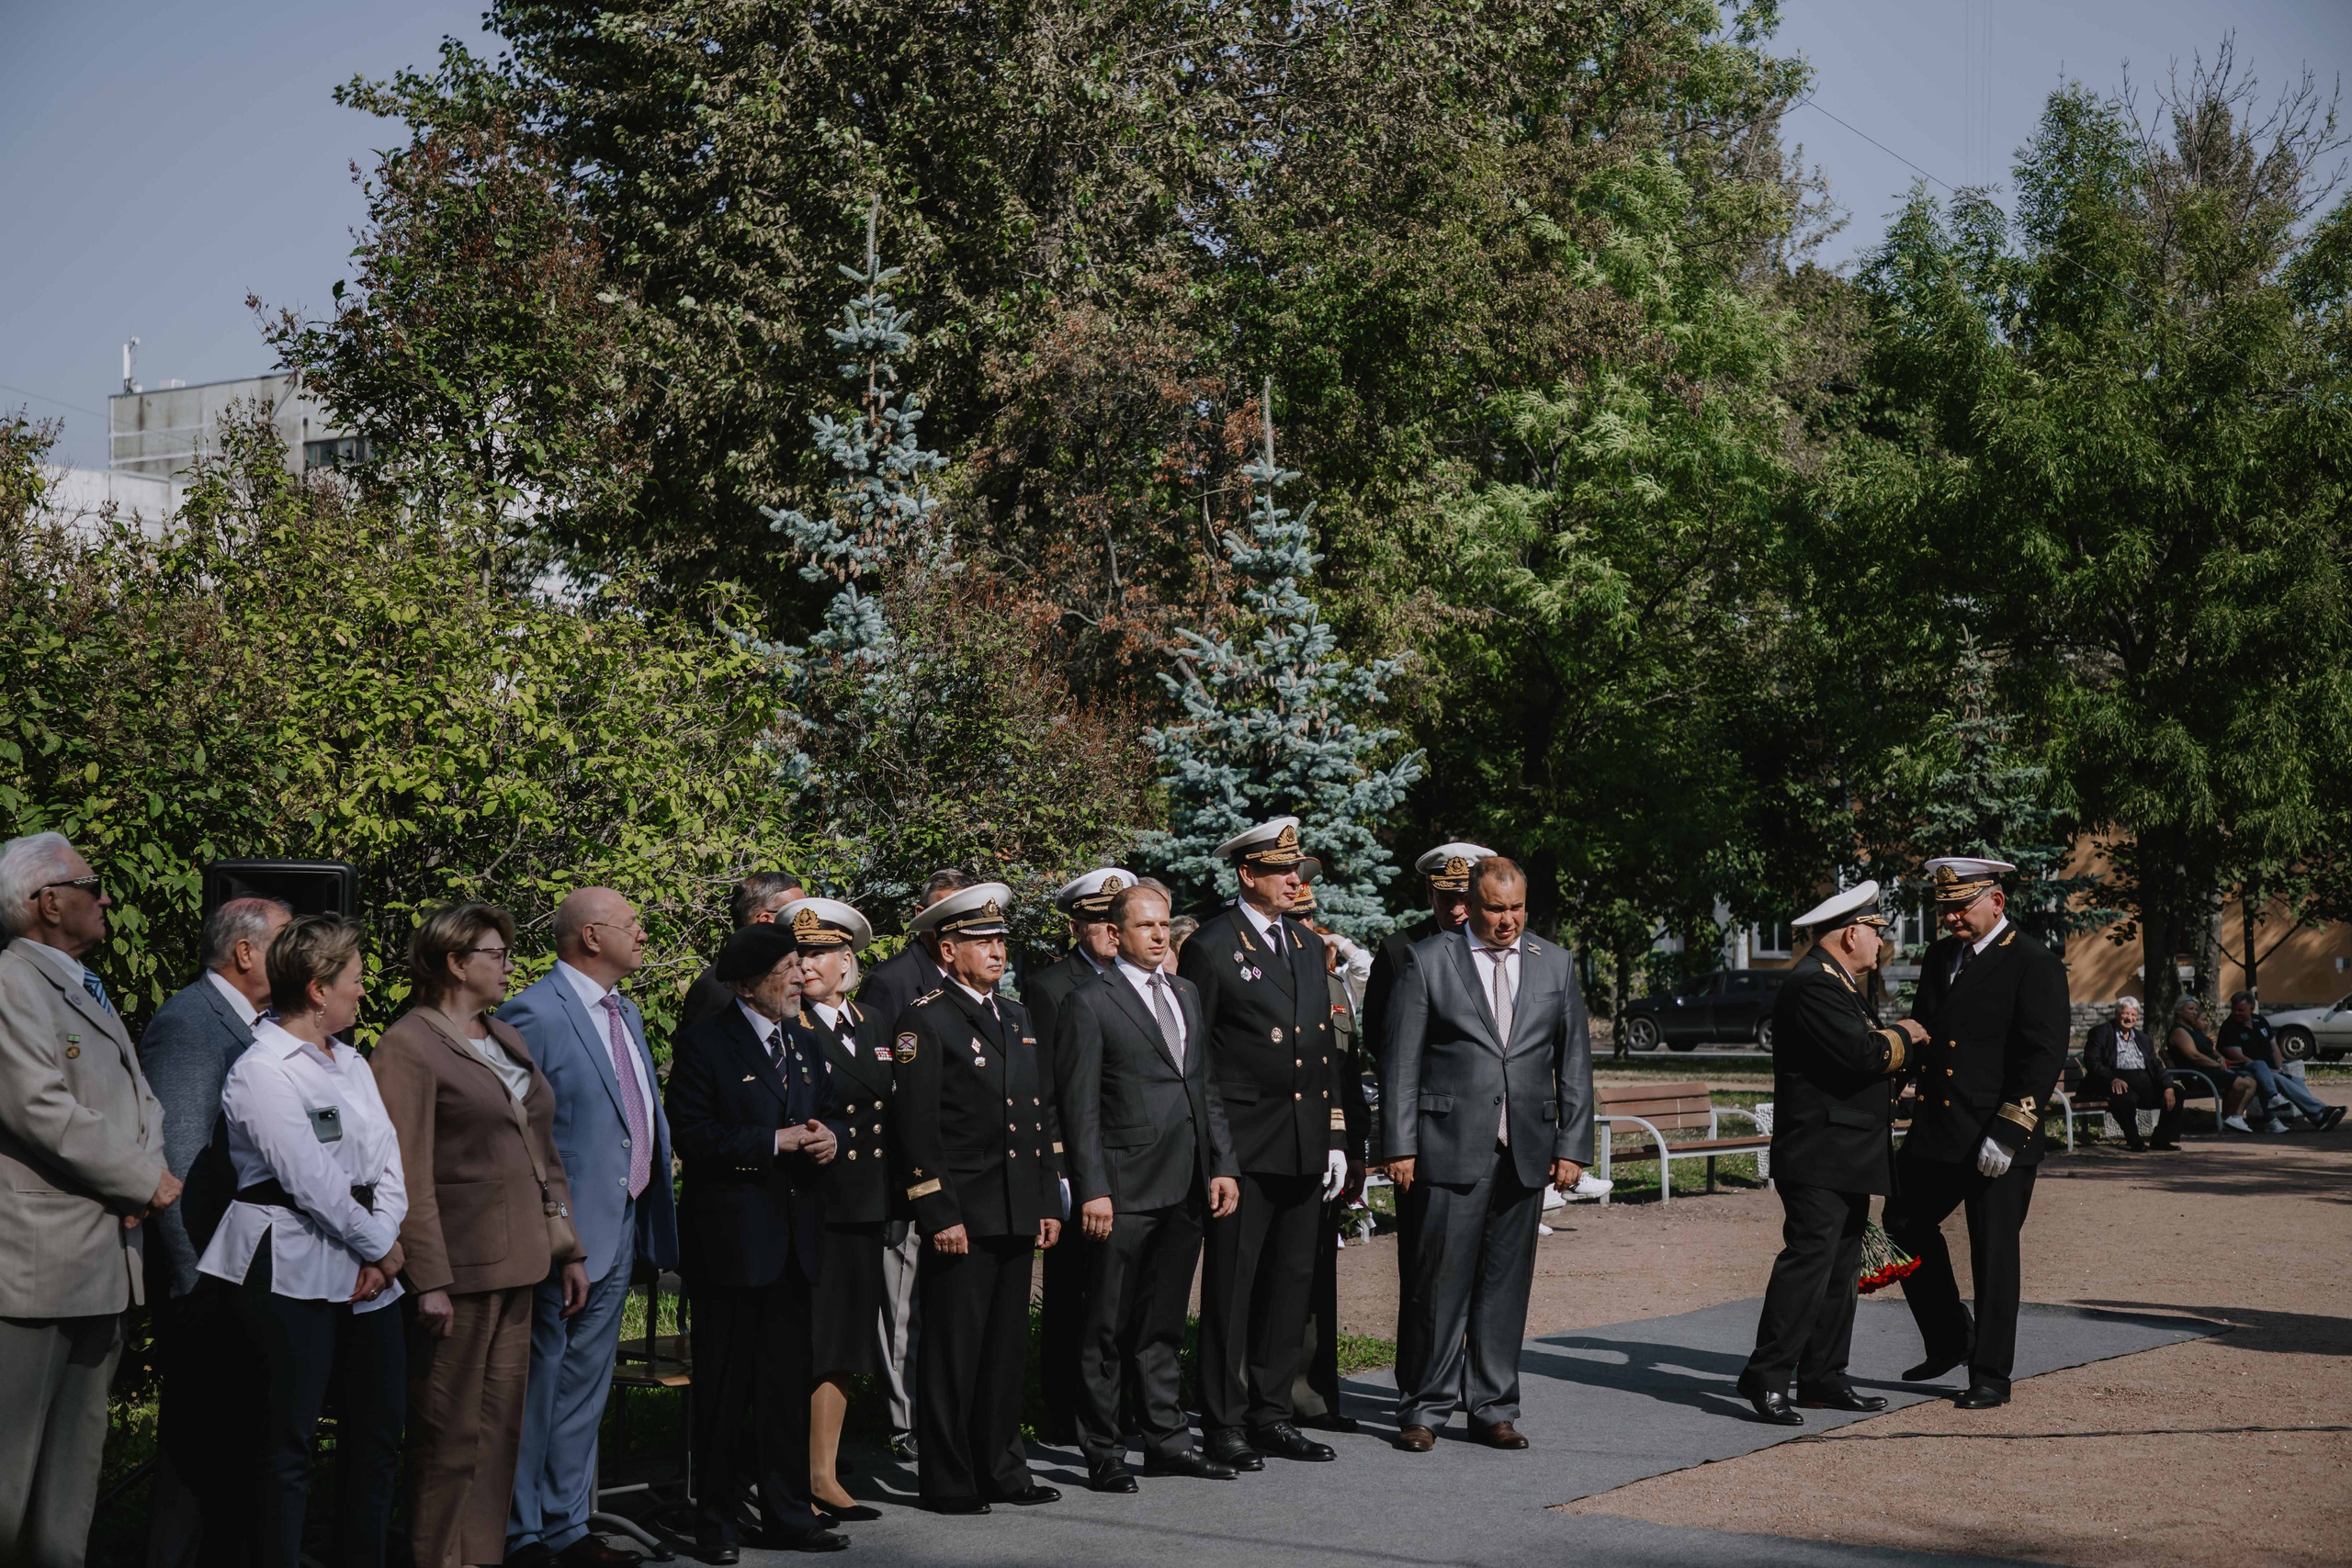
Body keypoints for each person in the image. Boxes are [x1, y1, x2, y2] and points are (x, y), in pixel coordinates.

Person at [374, 903, 590, 1568]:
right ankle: (433, 1557)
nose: (507, 966)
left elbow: (542, 1149)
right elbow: (403, 1169)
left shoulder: (506, 1037)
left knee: (499, 1428)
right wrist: (428, 1277)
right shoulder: (407, 1044)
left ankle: (480, 1556)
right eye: (494, 955)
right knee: (448, 1432)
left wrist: (570, 1246)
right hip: (459, 1271)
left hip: (524, 1259)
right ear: (454, 962)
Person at [198, 915, 408, 1568]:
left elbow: (388, 1163)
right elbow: (306, 1177)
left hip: (370, 1268)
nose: (361, 991)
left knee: (377, 1435)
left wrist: (384, 1242)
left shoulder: (351, 1060)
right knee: (287, 1442)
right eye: (354, 979)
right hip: (286, 1267)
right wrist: (378, 1245)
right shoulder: (261, 1069)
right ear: (318, 989)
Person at [0, 832, 175, 1568]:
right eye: (90, 883)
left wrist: (146, 1172)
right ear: (46, 903)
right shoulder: (12, 980)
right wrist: (141, 1179)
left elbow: (141, 1103)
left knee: (74, 1466)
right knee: (10, 1468)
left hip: (102, 1255)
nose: (105, 897)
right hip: (37, 1266)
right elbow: (35, 1104)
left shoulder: (75, 980)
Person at [1380, 856, 1592, 1452]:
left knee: (1505, 1285)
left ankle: (1493, 1405)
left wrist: (1573, 1143)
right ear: (1470, 904)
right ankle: (1424, 1406)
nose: (1508, 920)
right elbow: (1400, 1061)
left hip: (1524, 1147)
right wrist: (1398, 1143)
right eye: (1496, 908)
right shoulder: (1429, 961)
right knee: (1438, 1282)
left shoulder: (1554, 962)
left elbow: (1572, 1059)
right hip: (1447, 1145)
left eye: (1517, 907)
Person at [500, 890, 680, 1568]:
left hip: (623, 1223)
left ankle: (566, 1527)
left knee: (584, 1389)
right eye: (632, 924)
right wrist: (555, 1228)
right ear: (592, 935)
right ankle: (520, 1535)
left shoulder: (624, 1010)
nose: (643, 932)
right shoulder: (533, 1013)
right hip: (561, 1237)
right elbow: (521, 1137)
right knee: (538, 1386)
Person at [666, 921, 849, 1557]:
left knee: (782, 1389)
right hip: (733, 1246)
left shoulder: (804, 1044)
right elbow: (691, 1134)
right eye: (788, 966)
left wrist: (831, 1139)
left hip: (794, 1243)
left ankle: (788, 1513)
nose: (802, 975)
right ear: (748, 981)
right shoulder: (704, 1045)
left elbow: (835, 1112)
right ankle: (714, 1521)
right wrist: (776, 1142)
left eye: (802, 964)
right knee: (723, 1392)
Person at [1052, 881, 1240, 1492]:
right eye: (1145, 926)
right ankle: (1103, 1448)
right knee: (1104, 1326)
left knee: (1162, 1323)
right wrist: (1092, 1188)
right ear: (1116, 933)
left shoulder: (1184, 992)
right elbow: (1078, 1107)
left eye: (1164, 924)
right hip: (1123, 1189)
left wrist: (1223, 1163)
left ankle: (1165, 1439)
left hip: (1185, 1184)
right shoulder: (1090, 1001)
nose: (1160, 934)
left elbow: (1203, 1086)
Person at [1176, 818, 1349, 1471]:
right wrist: (1219, 1155)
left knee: (1290, 1284)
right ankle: (1223, 1420)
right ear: (1247, 873)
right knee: (1233, 1289)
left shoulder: (1305, 944)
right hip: (1244, 1148)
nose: (1291, 878)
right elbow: (1201, 1063)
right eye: (1279, 869)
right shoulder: (1216, 946)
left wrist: (1333, 1135)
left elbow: (1320, 1054)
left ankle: (1272, 1413)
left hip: (1303, 1144)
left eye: (1294, 868)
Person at [887, 883, 1065, 1515]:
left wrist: (1046, 1199)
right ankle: (948, 1477)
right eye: (982, 940)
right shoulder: (925, 1018)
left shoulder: (1014, 1016)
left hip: (1015, 1209)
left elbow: (1036, 1117)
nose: (997, 950)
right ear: (948, 946)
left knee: (1003, 1350)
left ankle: (1002, 1467)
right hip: (962, 1212)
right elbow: (917, 1126)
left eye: (1000, 939)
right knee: (953, 1351)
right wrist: (938, 1212)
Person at [1883, 857, 2070, 1411]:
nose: (1951, 919)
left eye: (1961, 907)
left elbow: (2043, 1055)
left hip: (1997, 1135)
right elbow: (1928, 1037)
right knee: (1901, 1224)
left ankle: (1990, 1374)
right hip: (1940, 1128)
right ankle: (1949, 1337)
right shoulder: (1942, 957)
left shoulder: (2034, 962)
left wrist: (2011, 1131)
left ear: (1997, 901)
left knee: (1993, 1253)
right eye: (1944, 909)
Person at [138, 893, 291, 1568]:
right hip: (205, 1279)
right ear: (247, 952)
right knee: (195, 1455)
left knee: (230, 1452)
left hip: (241, 1277)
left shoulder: (256, 1024)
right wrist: (191, 1280)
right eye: (287, 940)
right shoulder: (190, 1025)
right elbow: (175, 1164)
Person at [1734, 883, 1919, 1425]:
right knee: (1808, 1267)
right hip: (1818, 1153)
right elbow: (1863, 1055)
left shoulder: (1836, 981)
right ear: (1851, 932)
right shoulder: (1813, 984)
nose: (1880, 943)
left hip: (1844, 1151)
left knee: (1840, 1271)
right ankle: (1767, 1377)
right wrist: (1906, 1034)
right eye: (1877, 933)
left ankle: (1823, 1377)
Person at [854, 866, 974, 1460]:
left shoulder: (975, 982)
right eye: (953, 916)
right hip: (907, 1176)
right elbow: (887, 1085)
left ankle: (948, 1411)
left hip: (966, 1176)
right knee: (900, 1306)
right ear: (930, 925)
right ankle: (906, 1422)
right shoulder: (895, 980)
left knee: (945, 1306)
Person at [782, 897, 892, 1523]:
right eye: (798, 953)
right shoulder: (790, 1027)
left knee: (844, 1342)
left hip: (864, 1205)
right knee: (814, 1340)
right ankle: (804, 1472)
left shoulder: (873, 1022)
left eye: (820, 953)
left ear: (847, 958)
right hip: (815, 1204)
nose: (807, 964)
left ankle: (823, 1469)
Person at [1027, 866, 1134, 1442]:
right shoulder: (1052, 987)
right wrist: (1061, 1167)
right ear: (1077, 925)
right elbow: (1047, 1088)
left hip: (1129, 1160)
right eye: (1099, 921)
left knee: (1119, 1294)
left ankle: (1117, 1407)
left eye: (1117, 920)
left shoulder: (1140, 980)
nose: (1112, 931)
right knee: (1072, 1294)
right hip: (1077, 1162)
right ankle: (1064, 1409)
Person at [1288, 875, 1371, 1434]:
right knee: (1270, 1280)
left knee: (1320, 1280)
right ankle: (1259, 1400)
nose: (1310, 935)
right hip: (1275, 1148)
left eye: (1313, 924)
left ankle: (1316, 1397)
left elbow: (1348, 1072)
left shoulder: (1336, 988)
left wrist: (1356, 1150)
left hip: (1332, 1149)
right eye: (1298, 926)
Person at [680, 873, 806, 1030]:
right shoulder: (715, 990)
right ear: (766, 920)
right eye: (799, 916)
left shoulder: (798, 976)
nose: (808, 923)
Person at [2217, 992, 2344, 1133]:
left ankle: (2318, 1118)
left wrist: (2279, 1067)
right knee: (2274, 1077)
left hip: (2266, 1069)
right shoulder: (2229, 1027)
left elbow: (2274, 1047)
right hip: (2242, 1070)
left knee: (2295, 1080)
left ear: (2252, 1008)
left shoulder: (2260, 1021)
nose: (2236, 1013)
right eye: (2234, 1009)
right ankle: (2320, 1111)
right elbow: (2240, 1058)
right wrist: (2270, 1071)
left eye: (2241, 1010)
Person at [2082, 998, 2181, 1152]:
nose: (2129, 1018)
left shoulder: (2143, 1039)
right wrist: (2112, 1079)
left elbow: (2155, 1065)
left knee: (2177, 1092)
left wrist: (2168, 1086)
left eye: (2133, 1015)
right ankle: (2134, 1140)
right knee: (2124, 1097)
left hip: (2144, 1084)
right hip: (2115, 1082)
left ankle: (2161, 1140)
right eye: (2125, 1013)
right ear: (2116, 1014)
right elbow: (2091, 1061)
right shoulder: (2101, 1033)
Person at [2165, 998, 2261, 1132]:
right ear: (2179, 1011)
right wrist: (2216, 1065)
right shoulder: (2179, 1031)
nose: (2194, 1012)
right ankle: (2228, 1118)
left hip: (2210, 1070)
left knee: (2252, 1082)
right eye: (2190, 1009)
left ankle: (2234, 1117)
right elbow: (2194, 1056)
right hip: (2197, 1074)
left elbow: (2211, 1050)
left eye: (2195, 1010)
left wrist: (2221, 1058)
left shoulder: (2194, 1030)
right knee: (2241, 1084)